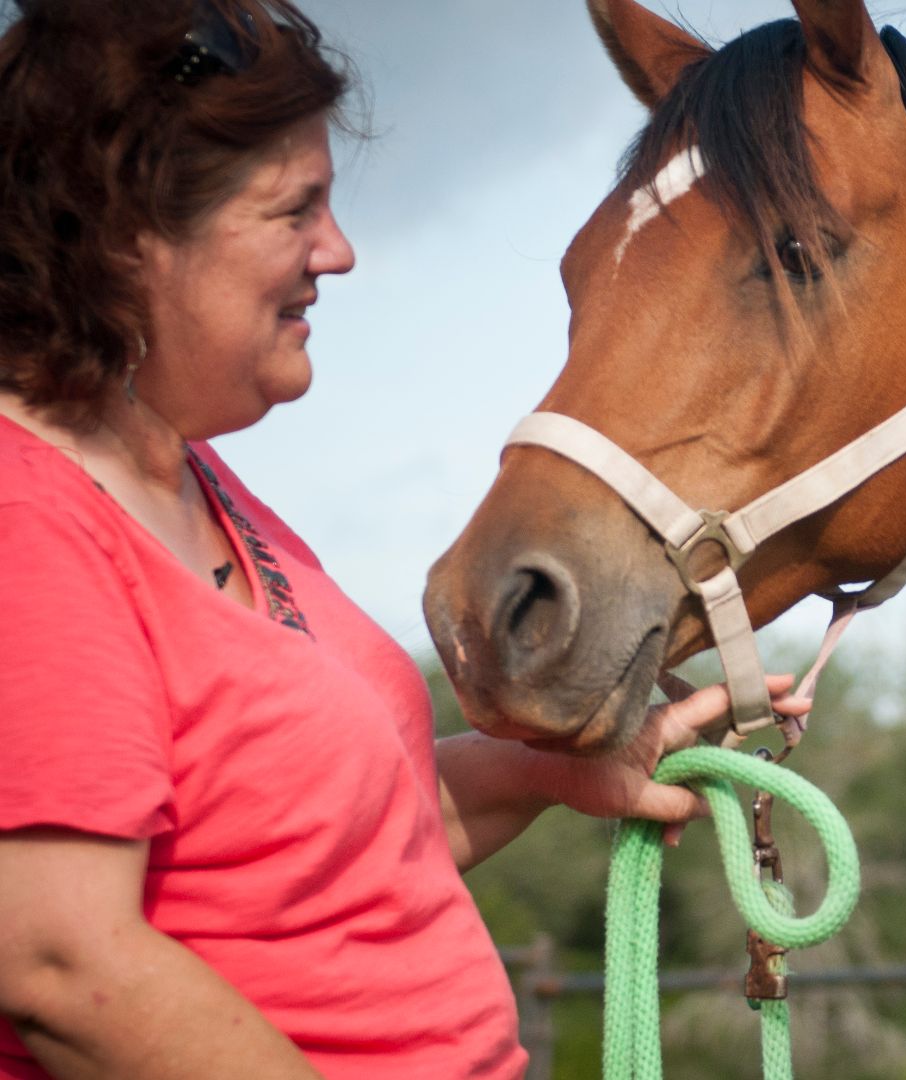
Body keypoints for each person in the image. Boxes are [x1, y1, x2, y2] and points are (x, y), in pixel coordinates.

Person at [0, 2, 803, 1076]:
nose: (339, 252)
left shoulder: (199, 484)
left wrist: (545, 771)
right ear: (129, 233)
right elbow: (58, 961)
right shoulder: (29, 527)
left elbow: (322, 846)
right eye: (297, 210)